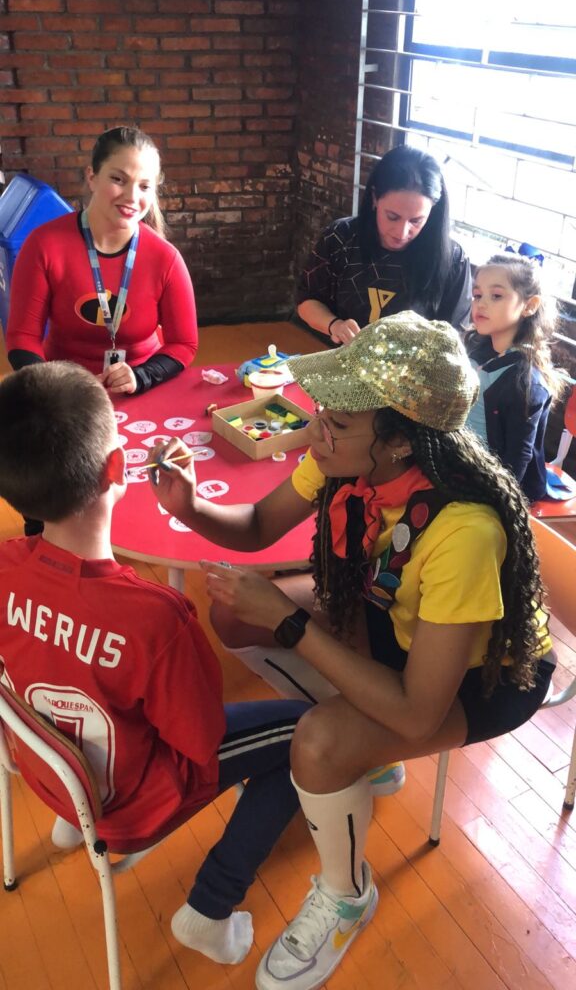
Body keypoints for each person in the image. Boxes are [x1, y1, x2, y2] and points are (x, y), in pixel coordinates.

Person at [148, 313, 555, 990]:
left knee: (319, 742)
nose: (315, 432)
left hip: (483, 680)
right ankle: (366, 749)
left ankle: (346, 895)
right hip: (393, 622)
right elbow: (256, 525)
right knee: (233, 613)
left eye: (336, 421)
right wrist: (189, 507)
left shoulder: (464, 532)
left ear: (400, 442)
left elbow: (419, 712)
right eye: (321, 415)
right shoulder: (348, 460)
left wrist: (289, 622)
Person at [0, 361, 309, 966]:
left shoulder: (5, 566)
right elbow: (201, 740)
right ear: (119, 468)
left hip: (50, 776)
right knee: (306, 731)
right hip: (133, 807)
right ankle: (210, 907)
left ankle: (73, 819)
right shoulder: (157, 618)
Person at [6, 126, 198, 396]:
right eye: (118, 179)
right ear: (92, 177)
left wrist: (141, 376)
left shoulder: (166, 258)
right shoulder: (43, 245)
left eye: (144, 186)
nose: (132, 196)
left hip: (139, 388)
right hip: (63, 390)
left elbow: (184, 343)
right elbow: (22, 336)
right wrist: (52, 388)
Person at [296, 144, 471, 345]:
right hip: (339, 357)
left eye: (416, 221)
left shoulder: (453, 259)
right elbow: (306, 300)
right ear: (374, 198)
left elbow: (454, 338)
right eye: (392, 217)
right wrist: (335, 325)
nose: (401, 232)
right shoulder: (341, 237)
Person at [466, 252, 567, 501]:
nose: (481, 304)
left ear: (529, 306)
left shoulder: (526, 382)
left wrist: (491, 504)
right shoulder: (474, 348)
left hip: (489, 484)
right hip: (457, 461)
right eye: (477, 295)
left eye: (496, 296)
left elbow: (515, 464)